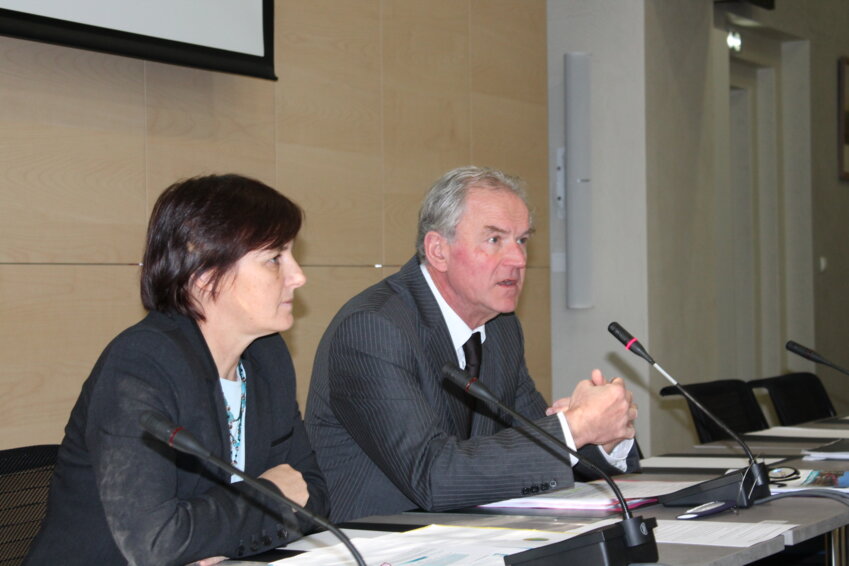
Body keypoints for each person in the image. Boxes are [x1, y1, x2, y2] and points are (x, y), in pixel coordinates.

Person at [305, 166, 639, 522]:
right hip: (375, 540)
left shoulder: (501, 328)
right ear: (438, 251)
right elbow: (431, 475)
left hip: (467, 533)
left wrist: (603, 437)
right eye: (495, 240)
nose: (518, 260)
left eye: (522, 240)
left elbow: (532, 446)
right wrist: (575, 427)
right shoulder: (373, 330)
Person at [25, 174, 328, 566]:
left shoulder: (267, 357)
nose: (298, 276)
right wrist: (266, 497)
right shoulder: (141, 364)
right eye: (274, 259)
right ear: (204, 274)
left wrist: (214, 538)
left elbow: (313, 494)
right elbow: (156, 543)